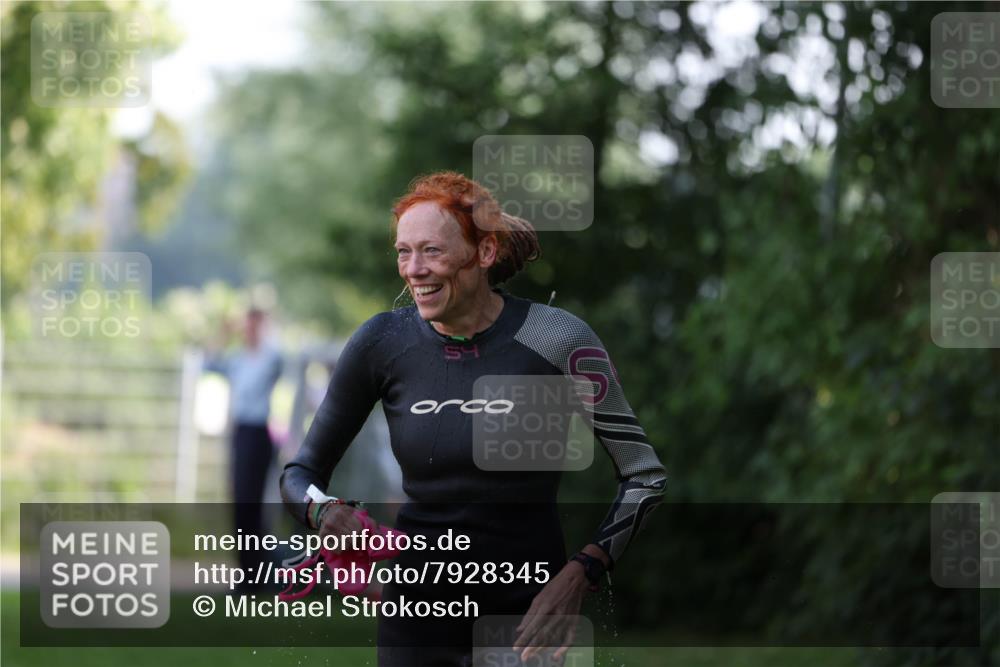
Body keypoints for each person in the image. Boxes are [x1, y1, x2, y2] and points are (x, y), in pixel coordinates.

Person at [280, 172, 666, 665]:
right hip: (415, 619)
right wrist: (325, 512)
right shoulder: (383, 343)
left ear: (484, 253)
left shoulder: (557, 340)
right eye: (403, 252)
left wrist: (581, 573)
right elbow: (299, 475)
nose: (413, 270)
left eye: (432, 251)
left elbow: (644, 477)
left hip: (526, 620)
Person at [205, 307, 284, 586]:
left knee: (254, 505)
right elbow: (208, 363)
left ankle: (257, 574)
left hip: (257, 433)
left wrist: (266, 327)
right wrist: (224, 333)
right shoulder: (237, 359)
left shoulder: (269, 356)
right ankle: (246, 573)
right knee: (240, 504)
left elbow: (276, 358)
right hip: (240, 432)